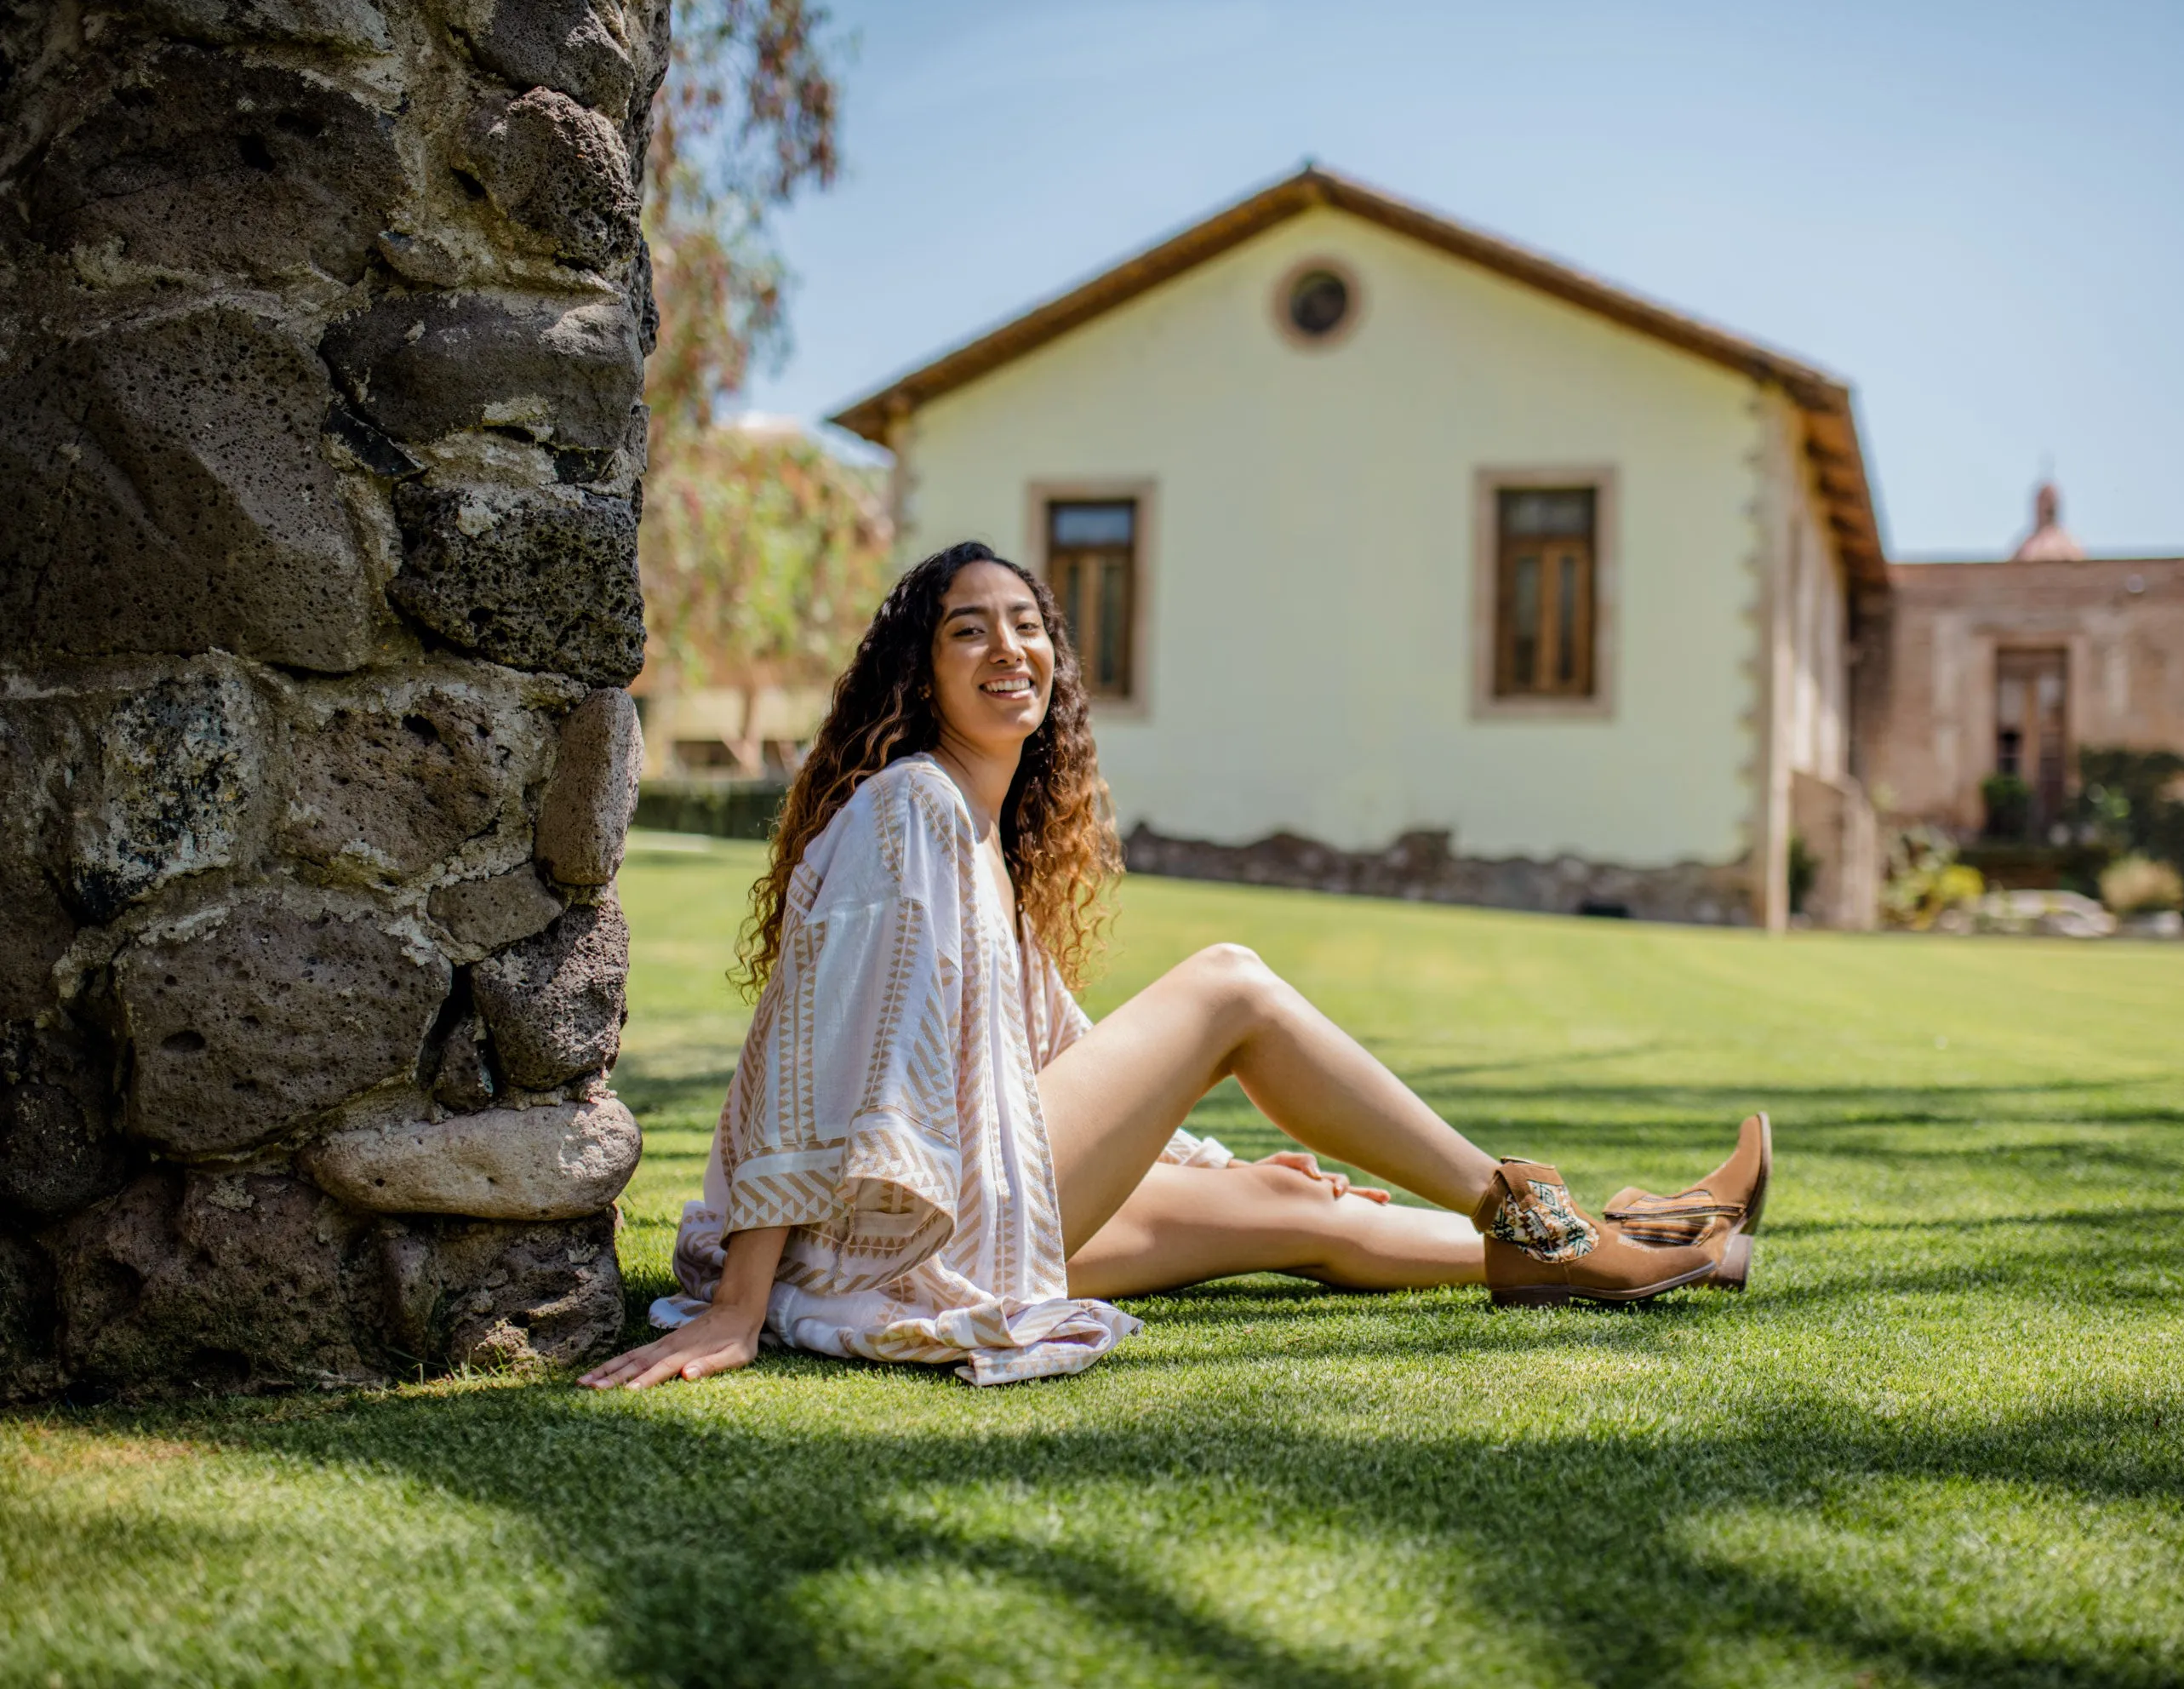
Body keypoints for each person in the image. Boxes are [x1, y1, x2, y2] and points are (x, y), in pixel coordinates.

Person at [581, 543, 1769, 1389]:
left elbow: (1067, 1064)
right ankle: (1532, 1212)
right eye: (968, 628)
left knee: (1294, 1208)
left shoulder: (977, 845)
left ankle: (1654, 1249)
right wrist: (743, 1303)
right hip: (892, 1232)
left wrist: (1204, 1152)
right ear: (920, 675)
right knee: (1232, 984)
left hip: (965, 1229)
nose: (1010, 646)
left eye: (1028, 624)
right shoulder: (912, 809)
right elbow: (814, 1054)